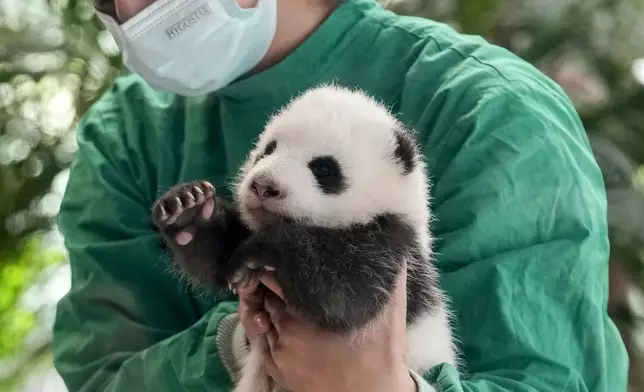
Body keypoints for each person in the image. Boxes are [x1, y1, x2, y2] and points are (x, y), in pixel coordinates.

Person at [51, 0, 629, 391]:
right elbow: (102, 376)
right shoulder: (127, 133)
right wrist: (244, 335)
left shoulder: (491, 113)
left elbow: (549, 377)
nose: (129, 13)